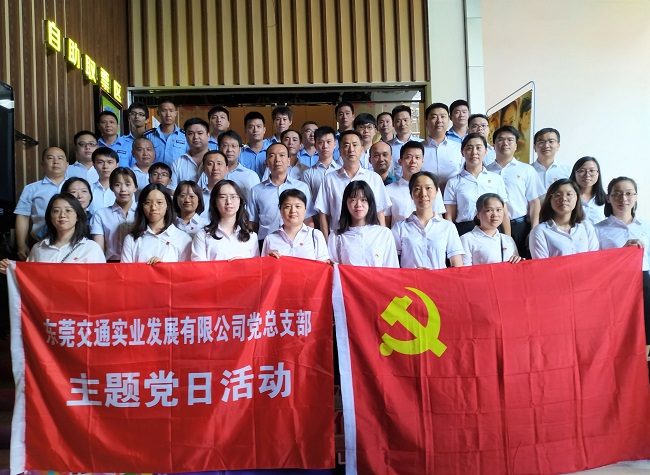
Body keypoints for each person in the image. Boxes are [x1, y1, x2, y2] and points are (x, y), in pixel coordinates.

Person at [595, 177, 649, 354]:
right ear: (608, 198)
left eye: (628, 193)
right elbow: (595, 263)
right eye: (616, 194)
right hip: (614, 285)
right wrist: (622, 254)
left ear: (636, 196)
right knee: (620, 331)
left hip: (644, 282)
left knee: (646, 328)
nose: (623, 198)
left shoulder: (646, 227)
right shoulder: (598, 229)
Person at [315, 130, 391, 241]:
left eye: (355, 145)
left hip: (370, 240)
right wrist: (326, 243)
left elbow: (380, 212)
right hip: (339, 240)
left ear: (361, 149)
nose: (351, 149)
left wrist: (382, 240)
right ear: (340, 151)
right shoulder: (329, 179)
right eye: (346, 145)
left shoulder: (374, 178)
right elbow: (323, 215)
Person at [1, 193, 105, 273]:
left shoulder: (91, 249)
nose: (62, 215)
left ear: (77, 216)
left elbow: (98, 282)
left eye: (68, 210)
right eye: (56, 211)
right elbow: (29, 278)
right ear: (50, 217)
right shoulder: (38, 248)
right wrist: (11, 270)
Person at [487, 126, 544, 257]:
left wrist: (534, 230)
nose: (505, 143)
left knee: (523, 261)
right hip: (493, 226)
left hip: (520, 226)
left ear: (516, 145)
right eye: (500, 139)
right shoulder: (486, 171)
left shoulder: (526, 170)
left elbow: (534, 202)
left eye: (510, 140)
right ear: (493, 144)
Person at [392, 171, 464, 269]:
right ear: (411, 194)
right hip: (410, 279)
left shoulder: (448, 227)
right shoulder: (400, 228)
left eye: (428, 188)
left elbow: (457, 266)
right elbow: (392, 265)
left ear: (436, 192)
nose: (423, 194)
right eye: (417, 189)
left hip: (438, 279)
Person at [444, 133, 511, 237]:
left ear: (485, 151)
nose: (474, 152)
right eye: (469, 148)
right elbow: (449, 216)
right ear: (462, 152)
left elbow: (504, 213)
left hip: (493, 230)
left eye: (478, 148)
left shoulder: (496, 179)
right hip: (464, 230)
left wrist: (508, 239)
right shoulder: (453, 182)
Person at [248, 143, 315, 246]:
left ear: (288, 161)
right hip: (266, 243)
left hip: (297, 243)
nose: (277, 159)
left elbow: (308, 219)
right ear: (266, 162)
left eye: (282, 155)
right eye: (272, 156)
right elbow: (252, 223)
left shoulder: (301, 187)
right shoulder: (256, 190)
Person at [14, 146, 69, 259]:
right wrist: (21, 244)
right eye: (50, 158)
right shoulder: (31, 189)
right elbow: (23, 217)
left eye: (60, 158)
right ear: (42, 163)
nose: (55, 162)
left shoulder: (76, 187)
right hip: (42, 243)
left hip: (73, 243)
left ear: (67, 164)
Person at [327, 181, 398, 267]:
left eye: (363, 200)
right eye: (353, 200)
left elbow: (392, 269)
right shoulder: (335, 237)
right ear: (346, 204)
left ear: (370, 203)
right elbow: (333, 269)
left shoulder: (384, 234)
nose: (358, 205)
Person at [121, 183, 192, 263]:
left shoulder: (183, 239)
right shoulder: (131, 239)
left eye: (159, 202)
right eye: (148, 202)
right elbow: (126, 270)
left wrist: (163, 268)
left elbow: (185, 270)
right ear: (142, 206)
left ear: (167, 205)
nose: (153, 208)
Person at [529, 178, 599, 259]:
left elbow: (594, 260)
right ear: (549, 200)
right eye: (558, 195)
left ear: (577, 198)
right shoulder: (540, 231)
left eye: (569, 194)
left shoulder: (586, 227)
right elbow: (541, 264)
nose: (564, 199)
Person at [191, 180, 260, 261]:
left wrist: (243, 265)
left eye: (233, 197)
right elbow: (199, 267)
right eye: (223, 197)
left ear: (240, 201)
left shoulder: (251, 236)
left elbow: (256, 267)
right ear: (215, 202)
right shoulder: (202, 235)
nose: (229, 202)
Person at [385, 141, 445, 227]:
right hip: (400, 234)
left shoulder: (432, 188)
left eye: (417, 157)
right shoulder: (388, 190)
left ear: (422, 161)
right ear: (400, 161)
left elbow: (439, 218)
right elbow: (386, 223)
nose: (413, 161)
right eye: (408, 157)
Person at [262, 189, 329, 261]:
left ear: (305, 210)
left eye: (298, 206)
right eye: (288, 206)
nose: (293, 211)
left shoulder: (315, 235)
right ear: (280, 210)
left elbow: (323, 265)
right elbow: (263, 266)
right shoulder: (270, 239)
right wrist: (269, 259)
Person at [90, 167, 138, 261]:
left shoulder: (143, 213)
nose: (123, 189)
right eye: (117, 185)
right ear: (111, 188)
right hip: (111, 264)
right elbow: (99, 251)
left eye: (128, 184)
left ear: (135, 187)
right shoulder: (101, 215)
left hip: (137, 264)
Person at [460, 193, 521, 265]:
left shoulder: (508, 239)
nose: (495, 214)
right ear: (478, 214)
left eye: (498, 210)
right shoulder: (466, 239)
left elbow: (515, 266)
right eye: (489, 210)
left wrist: (518, 261)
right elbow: (464, 269)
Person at [422, 103, 463, 191]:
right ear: (426, 123)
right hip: (424, 196)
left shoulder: (459, 148)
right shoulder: (418, 150)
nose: (439, 121)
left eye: (443, 116)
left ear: (448, 120)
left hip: (454, 196)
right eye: (434, 117)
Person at [302, 126, 341, 206]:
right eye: (320, 142)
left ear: (335, 144)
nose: (325, 146)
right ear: (315, 146)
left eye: (328, 142)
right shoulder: (308, 174)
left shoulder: (342, 171)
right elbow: (307, 203)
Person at [144, 97, 188, 166]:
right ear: (158, 113)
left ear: (175, 113)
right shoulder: (148, 136)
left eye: (171, 111)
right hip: (154, 173)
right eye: (164, 111)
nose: (168, 114)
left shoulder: (185, 136)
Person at [171, 117, 210, 189]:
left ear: (208, 136)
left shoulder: (219, 161)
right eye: (191, 133)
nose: (195, 137)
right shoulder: (178, 163)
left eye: (200, 133)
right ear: (185, 137)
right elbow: (172, 191)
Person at [388, 105, 423, 178]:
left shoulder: (422, 144)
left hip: (417, 183)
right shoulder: (388, 147)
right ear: (393, 124)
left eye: (405, 120)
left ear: (411, 121)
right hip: (394, 184)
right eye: (398, 121)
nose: (402, 124)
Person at [570, 156, 606, 225]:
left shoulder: (606, 199)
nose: (587, 175)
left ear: (598, 174)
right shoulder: (568, 197)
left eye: (592, 171)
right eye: (582, 171)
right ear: (575, 173)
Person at [531, 128, 570, 192]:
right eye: (541, 142)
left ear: (558, 146)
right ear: (534, 147)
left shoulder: (568, 171)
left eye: (551, 141)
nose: (546, 145)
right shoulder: (526, 171)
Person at [88, 147, 119, 214]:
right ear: (94, 165)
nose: (105, 166)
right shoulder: (88, 190)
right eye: (100, 162)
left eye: (110, 162)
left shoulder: (123, 190)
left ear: (117, 165)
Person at [240, 111, 268, 178]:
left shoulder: (271, 152)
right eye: (251, 127)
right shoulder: (240, 154)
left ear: (264, 130)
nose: (255, 130)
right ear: (245, 130)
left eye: (259, 126)